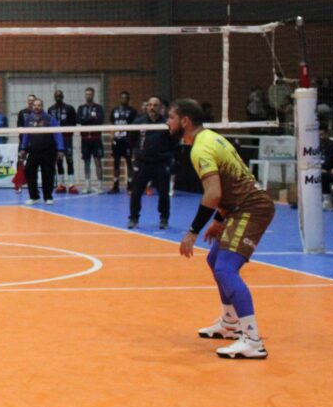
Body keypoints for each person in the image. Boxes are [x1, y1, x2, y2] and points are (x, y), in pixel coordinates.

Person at [169, 98, 274, 360]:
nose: (166, 123)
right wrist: (218, 220)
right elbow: (228, 186)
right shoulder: (212, 138)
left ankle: (252, 340)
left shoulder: (200, 149)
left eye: (170, 117)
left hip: (250, 209)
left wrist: (192, 231)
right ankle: (230, 322)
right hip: (239, 208)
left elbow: (213, 193)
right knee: (215, 258)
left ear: (185, 121)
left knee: (226, 267)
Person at [128, 96, 176, 229]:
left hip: (161, 163)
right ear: (146, 106)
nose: (152, 108)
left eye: (155, 105)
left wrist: (166, 155)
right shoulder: (139, 122)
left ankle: (164, 219)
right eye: (149, 105)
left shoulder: (167, 123)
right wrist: (139, 152)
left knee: (164, 192)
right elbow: (132, 140)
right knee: (136, 191)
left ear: (161, 108)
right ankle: (133, 218)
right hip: (142, 162)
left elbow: (174, 141)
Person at [18, 98, 64, 204]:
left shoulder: (49, 119)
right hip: (34, 150)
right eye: (35, 105)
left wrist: (60, 149)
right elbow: (25, 135)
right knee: (29, 171)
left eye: (39, 105)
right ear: (32, 106)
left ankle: (48, 197)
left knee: (48, 173)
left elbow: (57, 133)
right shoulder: (28, 119)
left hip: (48, 150)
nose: (36, 107)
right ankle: (34, 196)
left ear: (42, 106)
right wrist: (23, 148)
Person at [49, 90, 79, 194]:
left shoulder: (69, 108)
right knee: (58, 161)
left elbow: (74, 123)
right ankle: (61, 185)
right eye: (56, 95)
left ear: (63, 96)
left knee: (69, 160)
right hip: (56, 139)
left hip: (67, 138)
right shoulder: (51, 109)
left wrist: (68, 133)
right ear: (54, 97)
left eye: (60, 95)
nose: (58, 97)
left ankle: (71, 185)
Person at [77, 87, 105, 193]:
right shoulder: (81, 108)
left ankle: (100, 186)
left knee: (98, 161)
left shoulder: (98, 107)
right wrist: (91, 118)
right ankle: (87, 186)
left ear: (93, 95)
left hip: (96, 139)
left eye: (90, 94)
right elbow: (78, 120)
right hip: (85, 139)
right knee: (86, 162)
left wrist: (86, 120)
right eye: (87, 94)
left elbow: (100, 120)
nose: (88, 95)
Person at [109, 91, 138, 193]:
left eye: (125, 98)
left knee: (129, 163)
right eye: (122, 98)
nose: (123, 100)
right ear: (119, 99)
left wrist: (132, 139)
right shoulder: (114, 110)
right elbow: (112, 123)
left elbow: (136, 126)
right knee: (116, 163)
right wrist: (112, 136)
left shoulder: (133, 111)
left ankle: (130, 185)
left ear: (128, 99)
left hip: (127, 140)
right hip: (117, 140)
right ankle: (115, 185)